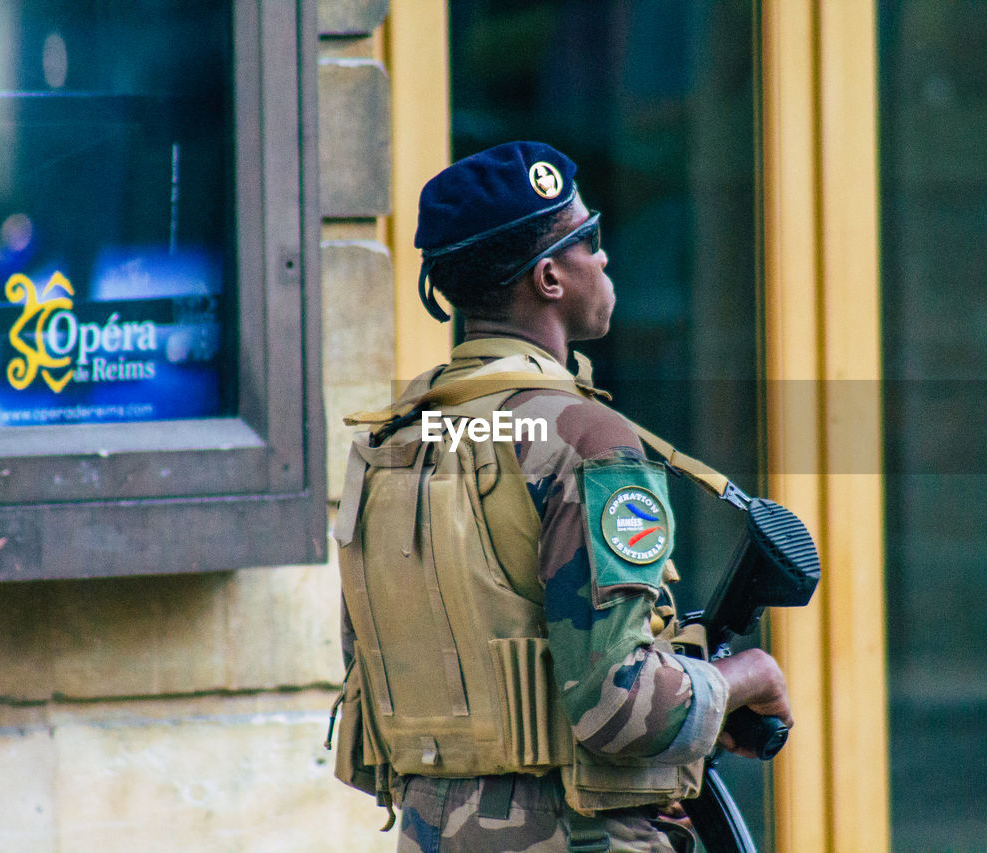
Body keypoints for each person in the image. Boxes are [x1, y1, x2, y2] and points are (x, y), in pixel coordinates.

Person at [332, 141, 792, 853]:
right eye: (592, 240)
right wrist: (742, 677)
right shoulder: (586, 439)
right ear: (549, 277)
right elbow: (620, 707)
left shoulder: (392, 441)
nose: (605, 259)